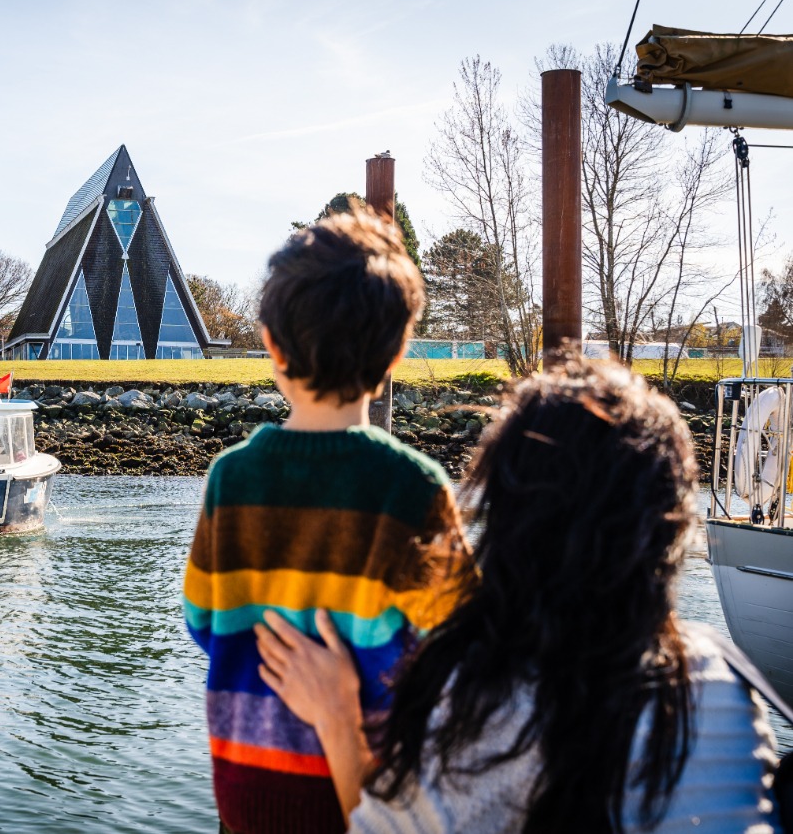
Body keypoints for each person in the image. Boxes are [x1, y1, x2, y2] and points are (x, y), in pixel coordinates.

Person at [256, 354, 782, 833]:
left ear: (507, 518)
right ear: (669, 526)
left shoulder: (463, 711)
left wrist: (336, 716)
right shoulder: (726, 689)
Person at [183, 205, 468, 834]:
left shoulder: (230, 479)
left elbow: (203, 622)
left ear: (271, 346)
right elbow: (462, 646)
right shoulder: (413, 488)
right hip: (364, 800)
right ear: (395, 356)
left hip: (245, 794)